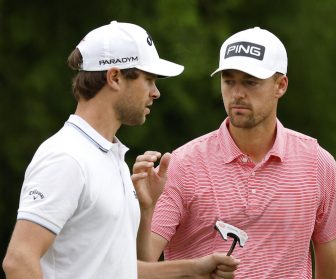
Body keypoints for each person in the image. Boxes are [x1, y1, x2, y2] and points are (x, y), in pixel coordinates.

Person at [2, 21, 240, 279]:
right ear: (114, 77)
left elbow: (119, 269)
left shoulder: (108, 156)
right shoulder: (66, 157)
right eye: (148, 79)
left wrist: (194, 269)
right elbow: (19, 261)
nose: (156, 92)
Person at [143, 27, 336, 278]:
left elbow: (335, 272)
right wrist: (144, 210)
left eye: (250, 82)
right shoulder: (181, 165)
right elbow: (136, 265)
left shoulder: (317, 164)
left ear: (281, 85)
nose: (237, 94)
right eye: (229, 80)